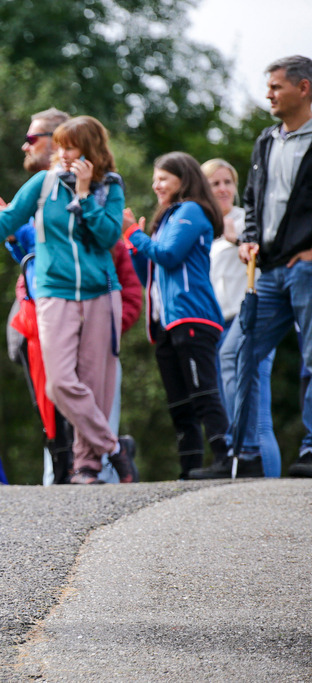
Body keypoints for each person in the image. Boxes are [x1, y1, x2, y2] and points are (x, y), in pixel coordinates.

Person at [0, 115, 130, 485]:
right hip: (54, 293)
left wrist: (84, 196)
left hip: (101, 293)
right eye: (60, 146)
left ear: (91, 150)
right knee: (60, 382)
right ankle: (114, 448)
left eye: (70, 147)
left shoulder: (110, 187)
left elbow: (107, 236)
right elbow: (12, 217)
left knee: (94, 384)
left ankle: (88, 466)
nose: (62, 154)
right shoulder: (44, 182)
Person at [211, 55, 312, 479]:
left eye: (276, 87)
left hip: (307, 268)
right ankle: (243, 454)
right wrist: (249, 238)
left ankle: (310, 448)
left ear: (303, 88)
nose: (268, 94)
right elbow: (252, 200)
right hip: (269, 271)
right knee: (237, 352)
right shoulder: (266, 141)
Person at [122, 152, 234, 479]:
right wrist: (134, 245)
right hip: (166, 323)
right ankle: (190, 469)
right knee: (179, 403)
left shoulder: (191, 211)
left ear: (182, 180)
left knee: (202, 392)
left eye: (162, 178)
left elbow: (169, 256)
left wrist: (134, 234)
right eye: (155, 178)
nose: (156, 185)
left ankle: (225, 460)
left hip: (193, 316)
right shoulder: (167, 218)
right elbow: (150, 274)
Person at [203, 158, 280, 477]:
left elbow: (270, 263)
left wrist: (238, 240)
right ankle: (242, 484)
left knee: (255, 413)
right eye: (214, 183)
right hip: (217, 327)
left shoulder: (248, 221)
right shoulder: (202, 226)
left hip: (249, 319)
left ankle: (267, 487)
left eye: (227, 182)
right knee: (230, 410)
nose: (222, 189)